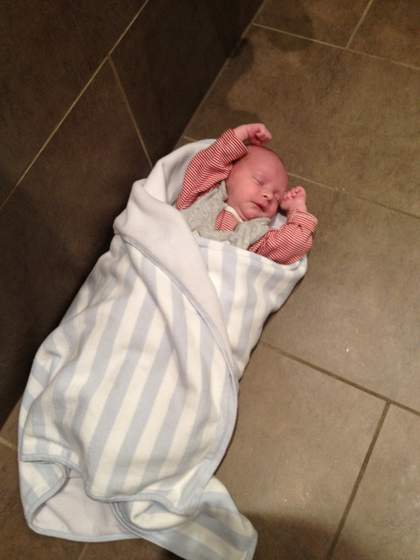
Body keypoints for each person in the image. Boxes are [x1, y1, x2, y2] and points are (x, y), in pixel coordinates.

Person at [176, 123, 318, 265]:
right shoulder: (202, 195)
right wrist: (244, 133)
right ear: (229, 173)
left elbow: (293, 244)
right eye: (259, 181)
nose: (269, 195)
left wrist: (297, 208)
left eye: (277, 197)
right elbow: (209, 162)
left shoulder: (257, 238)